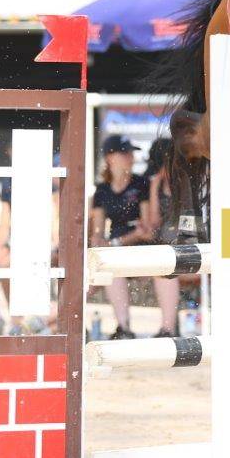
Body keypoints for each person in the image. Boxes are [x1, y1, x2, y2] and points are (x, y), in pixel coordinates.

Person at [88, 134, 152, 339]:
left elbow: (146, 231)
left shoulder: (141, 183)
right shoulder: (102, 190)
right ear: (110, 158)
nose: (130, 157)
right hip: (116, 248)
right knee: (92, 277)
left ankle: (123, 327)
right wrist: (101, 243)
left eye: (131, 153)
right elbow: (97, 232)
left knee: (111, 265)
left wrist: (114, 242)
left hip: (138, 249)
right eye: (125, 153)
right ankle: (123, 327)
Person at [140, 137, 180, 337]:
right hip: (165, 246)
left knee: (165, 269)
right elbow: (154, 222)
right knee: (163, 268)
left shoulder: (185, 182)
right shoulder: (155, 182)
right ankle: (167, 327)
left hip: (186, 246)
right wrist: (154, 187)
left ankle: (168, 328)